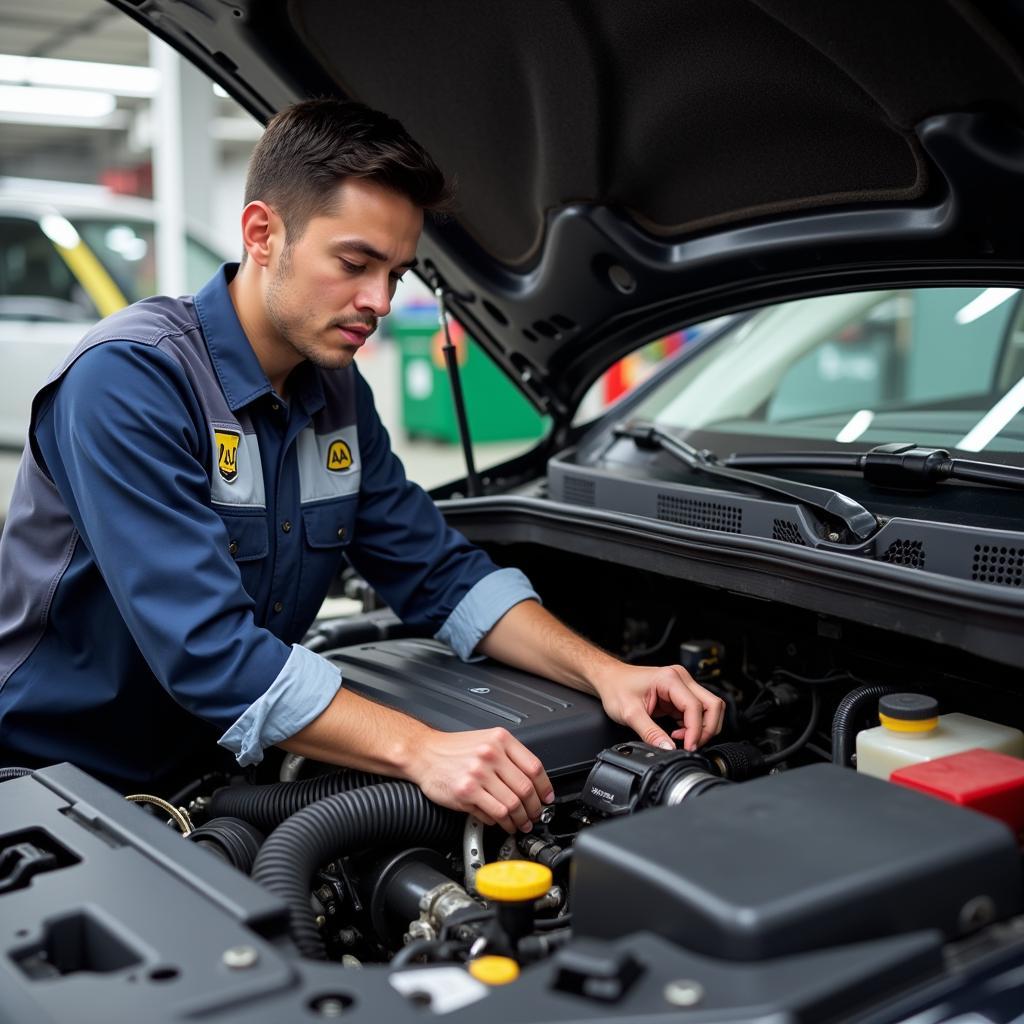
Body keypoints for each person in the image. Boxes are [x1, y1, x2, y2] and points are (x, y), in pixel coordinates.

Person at [0, 100, 723, 833]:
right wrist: (422, 749)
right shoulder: (131, 380)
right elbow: (208, 652)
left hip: (212, 769)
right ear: (262, 234)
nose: (377, 301)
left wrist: (609, 674)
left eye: (397, 274)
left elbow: (442, 575)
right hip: (51, 779)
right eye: (354, 263)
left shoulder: (336, 393)